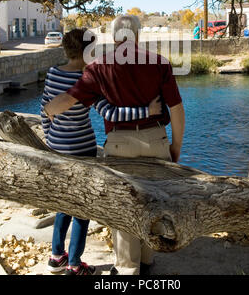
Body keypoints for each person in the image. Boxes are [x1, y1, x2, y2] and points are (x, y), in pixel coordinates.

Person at [44, 16, 185, 275]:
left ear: (113, 36)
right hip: (157, 140)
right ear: (137, 36)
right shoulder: (159, 63)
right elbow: (176, 108)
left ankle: (127, 269)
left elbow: (69, 99)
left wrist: (49, 109)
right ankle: (145, 259)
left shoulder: (98, 67)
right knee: (152, 200)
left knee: (125, 207)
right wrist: (175, 145)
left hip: (121, 145)